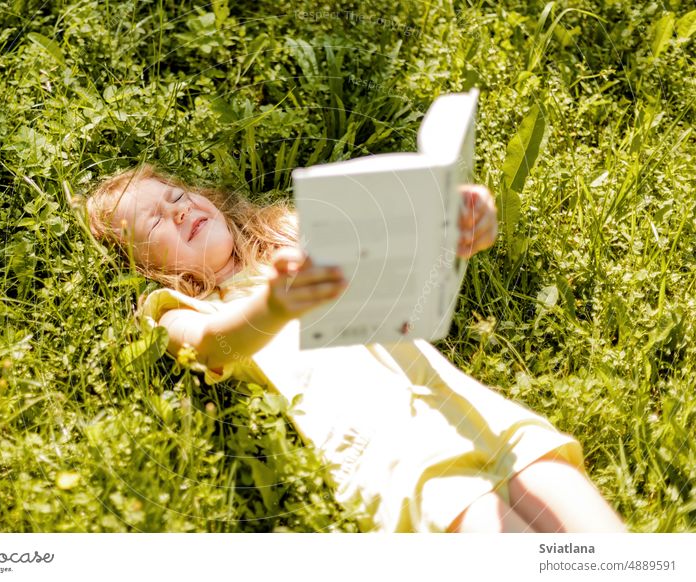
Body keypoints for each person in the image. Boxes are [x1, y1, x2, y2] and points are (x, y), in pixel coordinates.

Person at [84, 163, 626, 533]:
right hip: (383, 448)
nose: (178, 211)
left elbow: (401, 247)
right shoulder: (179, 308)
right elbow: (209, 347)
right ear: (144, 266)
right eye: (154, 219)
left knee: (583, 519)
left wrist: (462, 222)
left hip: (459, 405)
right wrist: (274, 306)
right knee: (491, 530)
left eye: (177, 196)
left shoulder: (288, 232)